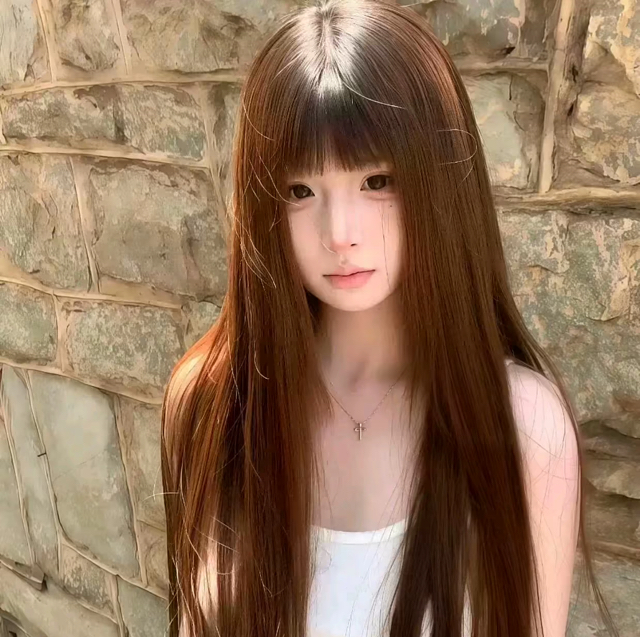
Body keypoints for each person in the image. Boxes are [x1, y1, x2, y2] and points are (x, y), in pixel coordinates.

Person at [160, 1, 617, 636]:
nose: (339, 233)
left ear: (441, 182)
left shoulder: (522, 426)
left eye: (377, 181)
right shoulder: (212, 403)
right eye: (299, 191)